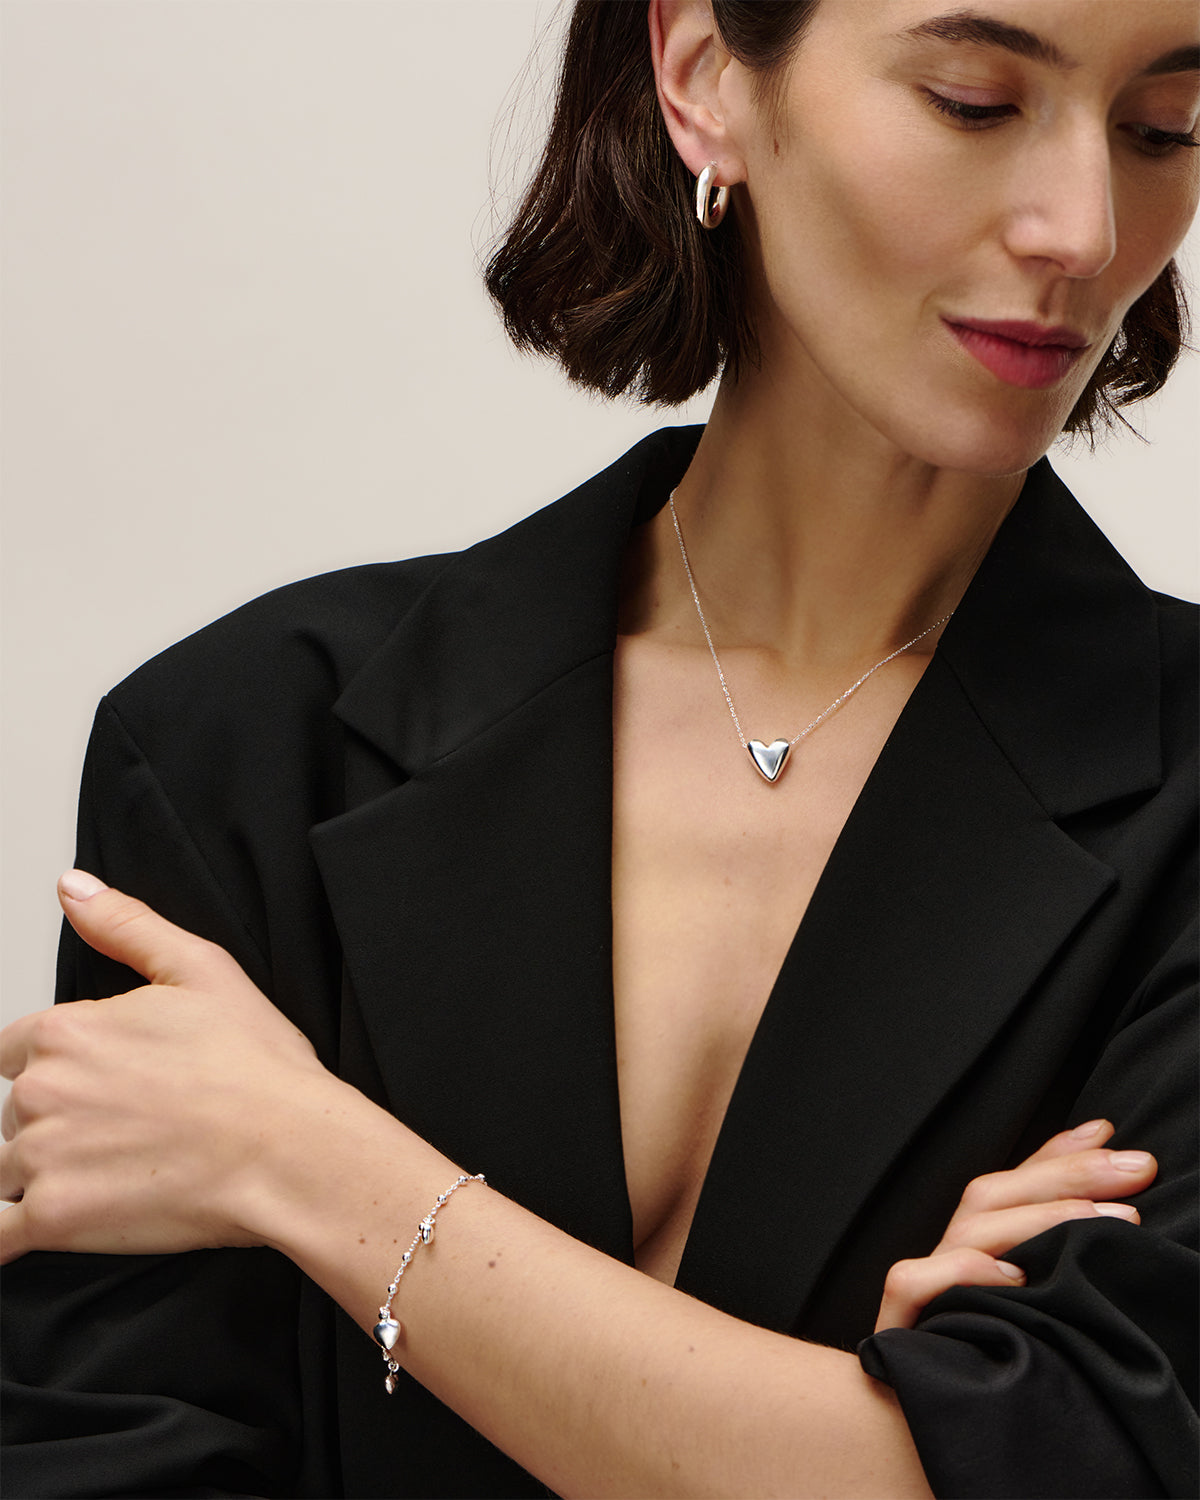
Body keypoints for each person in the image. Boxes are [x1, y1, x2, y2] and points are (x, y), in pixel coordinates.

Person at [2, 1, 1197, 1496]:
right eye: (973, 100)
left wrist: (305, 1161)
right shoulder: (245, 746)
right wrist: (845, 1447)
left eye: (1164, 130)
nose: (1086, 228)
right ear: (703, 75)